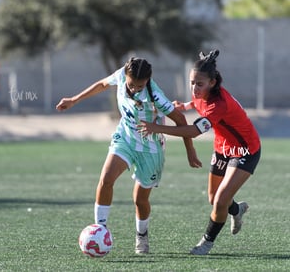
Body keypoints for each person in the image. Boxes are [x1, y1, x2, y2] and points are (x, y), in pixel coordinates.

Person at [56, 57, 201, 254]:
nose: (134, 89)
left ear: (148, 80)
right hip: (125, 138)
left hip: (150, 149)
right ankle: (100, 229)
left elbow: (181, 120)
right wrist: (74, 100)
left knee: (140, 200)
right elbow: (102, 84)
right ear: (126, 75)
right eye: (131, 84)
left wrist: (190, 151)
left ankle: (141, 235)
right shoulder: (121, 75)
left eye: (139, 86)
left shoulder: (156, 96)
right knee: (106, 179)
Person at [138, 50, 261, 255]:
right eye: (192, 82)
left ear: (212, 83)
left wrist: (157, 128)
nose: (194, 88)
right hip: (223, 147)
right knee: (214, 199)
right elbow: (196, 102)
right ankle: (237, 210)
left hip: (244, 149)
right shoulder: (204, 93)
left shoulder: (219, 104)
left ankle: (206, 243)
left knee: (221, 198)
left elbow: (194, 131)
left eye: (199, 84)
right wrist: (183, 106)